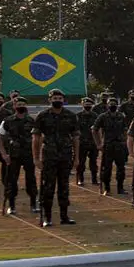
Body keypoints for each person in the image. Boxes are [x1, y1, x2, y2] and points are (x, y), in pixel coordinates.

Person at [32, 89, 79, 227]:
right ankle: (47, 217)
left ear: (64, 100)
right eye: (55, 98)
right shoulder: (42, 116)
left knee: (64, 187)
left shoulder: (71, 116)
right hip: (49, 157)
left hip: (65, 156)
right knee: (48, 188)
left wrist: (76, 158)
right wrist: (36, 158)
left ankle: (64, 216)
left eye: (60, 98)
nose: (57, 100)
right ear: (49, 100)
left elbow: (76, 138)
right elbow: (36, 138)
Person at [0, 97, 38, 216]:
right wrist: (4, 154)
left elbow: (38, 137)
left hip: (29, 154)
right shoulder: (8, 120)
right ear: (14, 106)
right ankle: (12, 205)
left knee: (31, 179)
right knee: (11, 180)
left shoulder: (31, 120)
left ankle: (34, 204)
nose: (21, 106)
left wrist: (37, 154)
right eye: (18, 104)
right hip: (14, 155)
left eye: (23, 104)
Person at [93, 97, 129, 196]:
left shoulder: (121, 116)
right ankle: (107, 188)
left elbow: (126, 129)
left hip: (120, 145)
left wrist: (125, 141)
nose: (112, 105)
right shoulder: (103, 116)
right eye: (110, 103)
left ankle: (120, 188)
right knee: (107, 168)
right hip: (108, 145)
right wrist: (98, 144)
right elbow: (94, 129)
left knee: (121, 168)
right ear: (107, 105)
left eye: (114, 103)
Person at [74, 97, 99, 187]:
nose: (87, 106)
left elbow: (98, 129)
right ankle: (80, 179)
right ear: (82, 105)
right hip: (82, 143)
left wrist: (99, 142)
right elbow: (75, 129)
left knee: (93, 162)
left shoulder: (95, 115)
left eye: (89, 105)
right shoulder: (78, 116)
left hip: (93, 142)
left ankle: (94, 179)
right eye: (86, 104)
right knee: (81, 162)